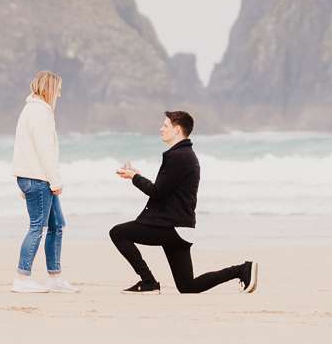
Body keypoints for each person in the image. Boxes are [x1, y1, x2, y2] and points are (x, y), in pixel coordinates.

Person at [109, 110, 262, 295]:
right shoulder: (184, 154)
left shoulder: (178, 156)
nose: (161, 129)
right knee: (188, 286)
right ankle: (241, 270)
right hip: (180, 227)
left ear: (177, 130)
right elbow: (165, 189)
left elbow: (157, 192)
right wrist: (137, 176)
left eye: (165, 126)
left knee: (118, 233)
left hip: (169, 226)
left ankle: (148, 282)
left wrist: (134, 177)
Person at [11, 71, 72, 293]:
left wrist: (24, 178)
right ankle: (22, 278)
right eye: (58, 89)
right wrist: (55, 181)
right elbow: (44, 150)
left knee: (57, 225)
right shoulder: (39, 112)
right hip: (38, 178)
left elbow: (24, 147)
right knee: (37, 226)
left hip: (33, 177)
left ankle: (54, 278)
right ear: (49, 89)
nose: (60, 94)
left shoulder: (32, 110)